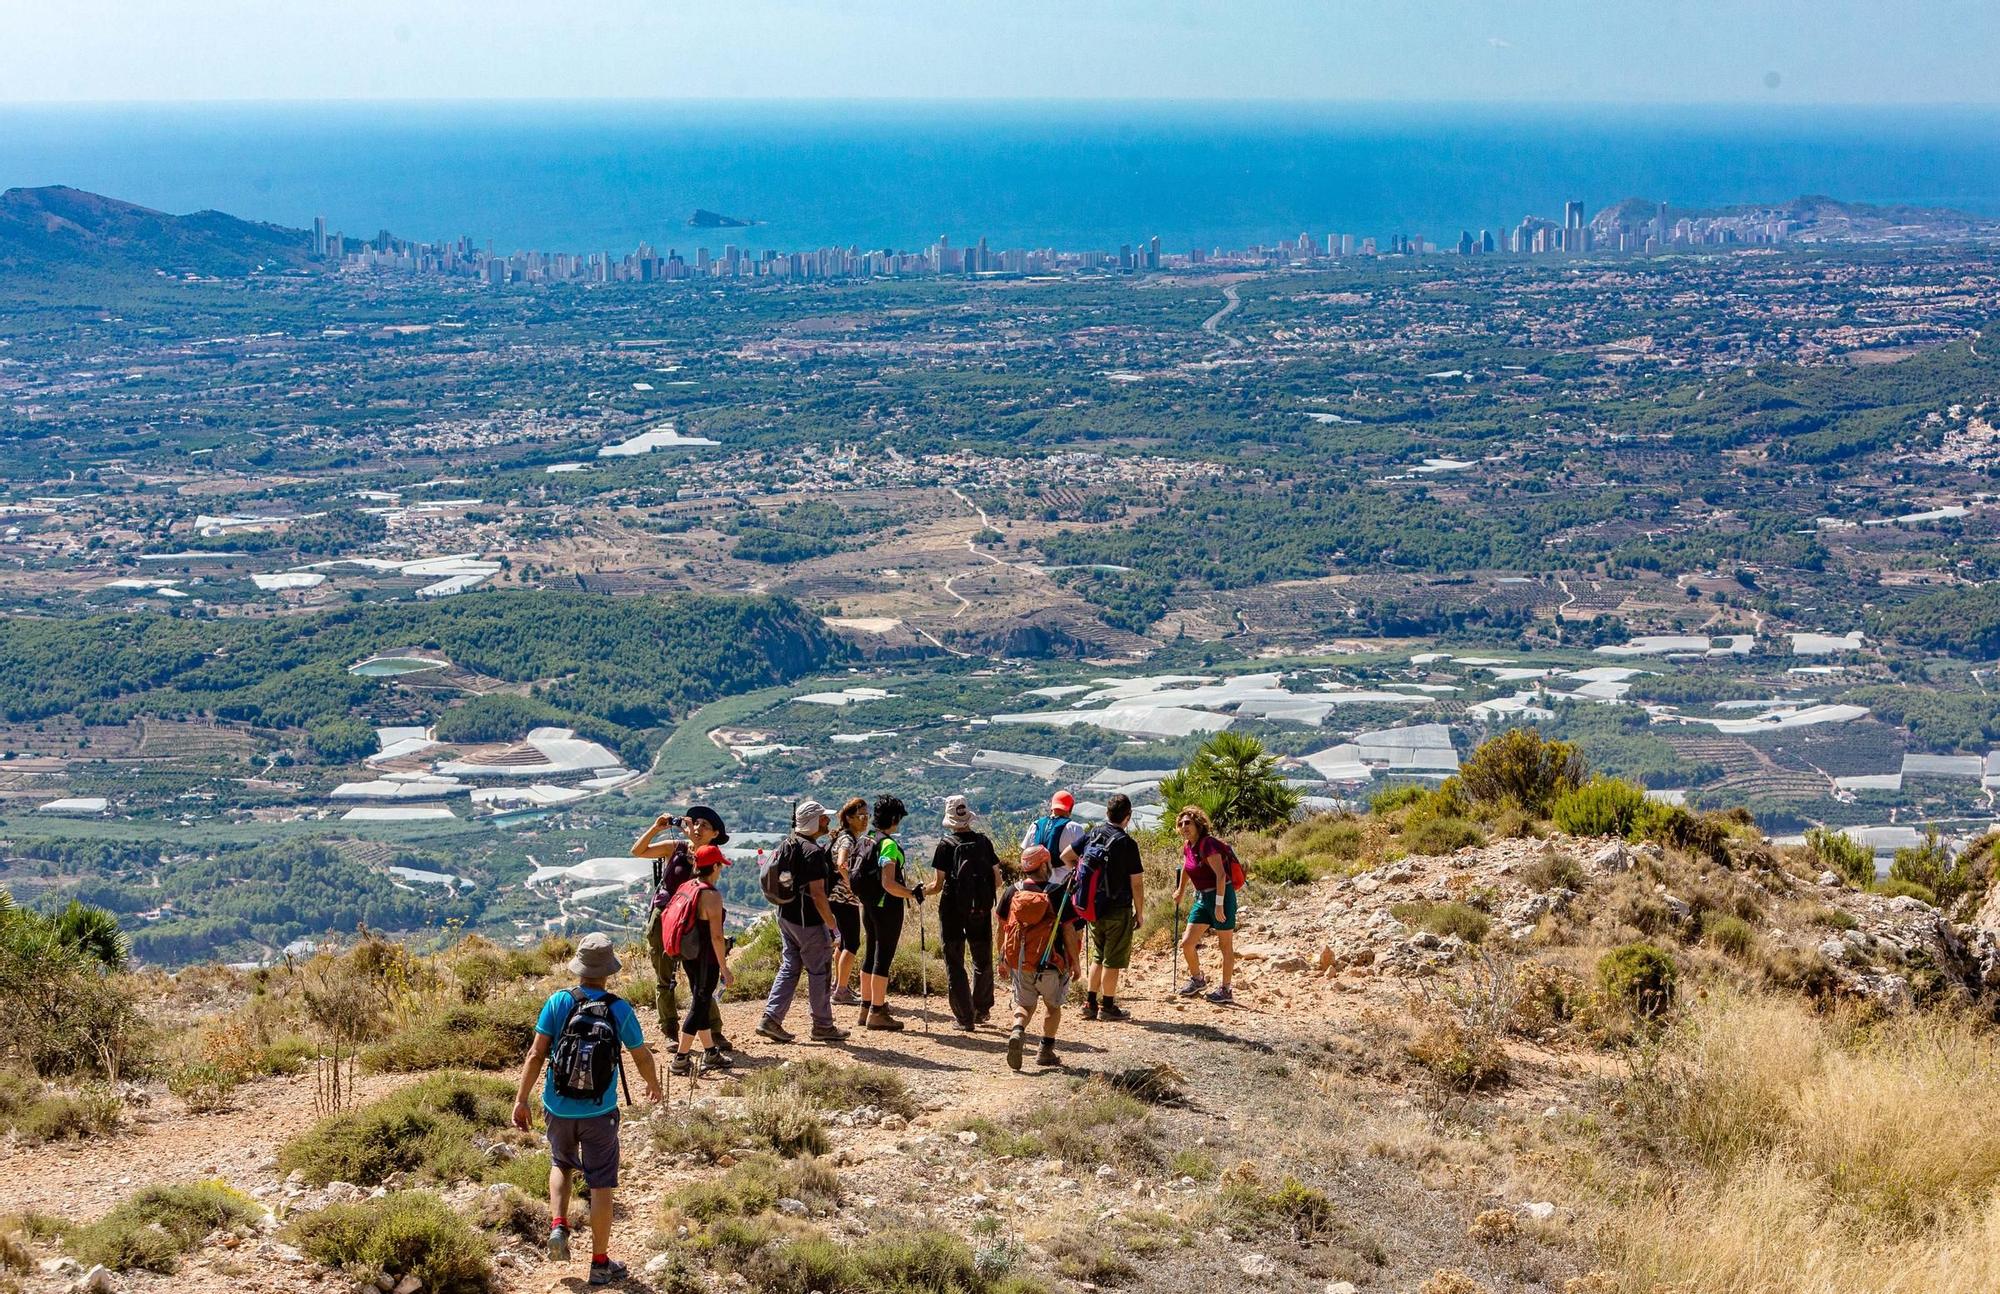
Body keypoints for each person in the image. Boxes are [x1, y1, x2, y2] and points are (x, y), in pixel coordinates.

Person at [511, 931, 663, 1287]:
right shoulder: (619, 1008)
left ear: (579, 967)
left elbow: (536, 1055)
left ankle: (558, 1226)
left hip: (557, 1107)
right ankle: (599, 1263)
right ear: (608, 970)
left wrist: (521, 1099)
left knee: (561, 1162)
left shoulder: (558, 1002)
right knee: (601, 1184)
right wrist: (652, 1084)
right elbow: (640, 1054)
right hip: (600, 1111)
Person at [632, 806, 733, 1063]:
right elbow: (638, 851)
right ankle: (669, 1032)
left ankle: (713, 1032)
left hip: (694, 924)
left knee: (700, 980)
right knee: (665, 976)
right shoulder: (675, 847)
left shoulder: (710, 855)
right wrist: (657, 828)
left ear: (715, 834)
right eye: (695, 822)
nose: (698, 828)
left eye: (705, 826)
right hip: (665, 917)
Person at [757, 800, 850, 1045]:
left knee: (790, 966)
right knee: (819, 971)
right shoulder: (813, 852)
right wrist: (833, 927)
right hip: (807, 921)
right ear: (812, 821)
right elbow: (818, 894)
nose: (827, 821)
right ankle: (823, 1025)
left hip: (785, 916)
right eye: (823, 818)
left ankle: (771, 1017)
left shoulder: (789, 843)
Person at [997, 844, 1084, 1069]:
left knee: (1024, 1005)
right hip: (1050, 963)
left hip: (1021, 962)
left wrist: (1002, 959)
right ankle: (1045, 1050)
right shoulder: (1056, 893)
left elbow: (1002, 928)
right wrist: (1075, 961)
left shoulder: (1012, 891)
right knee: (1052, 1006)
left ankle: (1017, 1029)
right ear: (1044, 864)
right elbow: (1068, 931)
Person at [930, 794, 1003, 1031]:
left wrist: (917, 892)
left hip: (952, 909)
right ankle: (982, 1010)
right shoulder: (984, 842)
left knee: (954, 961)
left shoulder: (945, 845)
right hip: (980, 908)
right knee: (982, 959)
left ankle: (964, 1017)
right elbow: (998, 880)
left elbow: (937, 885)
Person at [1079, 793, 1146, 1022]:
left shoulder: (1093, 834)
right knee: (1113, 959)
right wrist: (1140, 912)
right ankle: (1107, 1006)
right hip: (1119, 907)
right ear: (1128, 817)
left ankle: (1089, 1003)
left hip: (1093, 906)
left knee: (1098, 954)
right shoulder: (1127, 843)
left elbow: (1067, 855)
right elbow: (1136, 882)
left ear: (1107, 813)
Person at [856, 795, 921, 1031]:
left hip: (868, 904)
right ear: (894, 818)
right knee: (883, 958)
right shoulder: (889, 845)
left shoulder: (867, 838)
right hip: (887, 907)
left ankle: (865, 1008)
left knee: (870, 953)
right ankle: (878, 1012)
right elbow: (889, 883)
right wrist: (912, 893)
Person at [672, 844, 737, 1071]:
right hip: (705, 959)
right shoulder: (711, 895)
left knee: (700, 1001)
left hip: (688, 954)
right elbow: (717, 937)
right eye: (720, 865)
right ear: (716, 866)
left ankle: (710, 1052)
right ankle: (681, 1059)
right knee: (699, 1005)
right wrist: (724, 968)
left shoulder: (689, 885)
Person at [1173, 805, 1239, 1005]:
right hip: (1202, 899)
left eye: (1188, 823)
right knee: (1187, 943)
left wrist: (1219, 905)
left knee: (1225, 946)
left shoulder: (1208, 844)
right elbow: (1187, 867)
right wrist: (1180, 890)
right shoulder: (1188, 846)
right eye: (1181, 823)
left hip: (1222, 897)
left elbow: (1220, 875)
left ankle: (1226, 989)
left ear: (1198, 825)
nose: (1184, 826)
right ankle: (1198, 979)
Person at [827, 797, 868, 1006]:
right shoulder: (848, 839)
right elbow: (842, 863)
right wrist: (854, 887)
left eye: (867, 815)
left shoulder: (842, 836)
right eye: (861, 816)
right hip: (844, 898)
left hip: (835, 897)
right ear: (850, 818)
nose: (865, 820)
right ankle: (841, 990)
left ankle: (838, 984)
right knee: (852, 943)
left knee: (842, 943)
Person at [1022, 790, 1087, 882]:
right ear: (1070, 809)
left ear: (1052, 807)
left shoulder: (1035, 825)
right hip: (1064, 884)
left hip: (1038, 883)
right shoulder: (1074, 828)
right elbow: (1084, 857)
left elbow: (1025, 852)